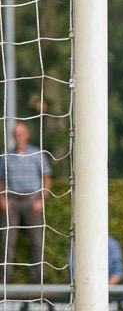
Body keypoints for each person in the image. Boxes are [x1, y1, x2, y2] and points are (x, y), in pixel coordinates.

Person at [0, 121, 52, 282]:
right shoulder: (5, 156)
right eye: (16, 134)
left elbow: (47, 178)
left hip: (32, 201)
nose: (19, 136)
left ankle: (38, 278)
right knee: (7, 241)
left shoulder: (37, 154)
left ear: (27, 135)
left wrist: (41, 199)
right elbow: (1, 179)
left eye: (21, 133)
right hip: (12, 202)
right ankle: (4, 278)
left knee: (37, 241)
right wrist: (2, 199)